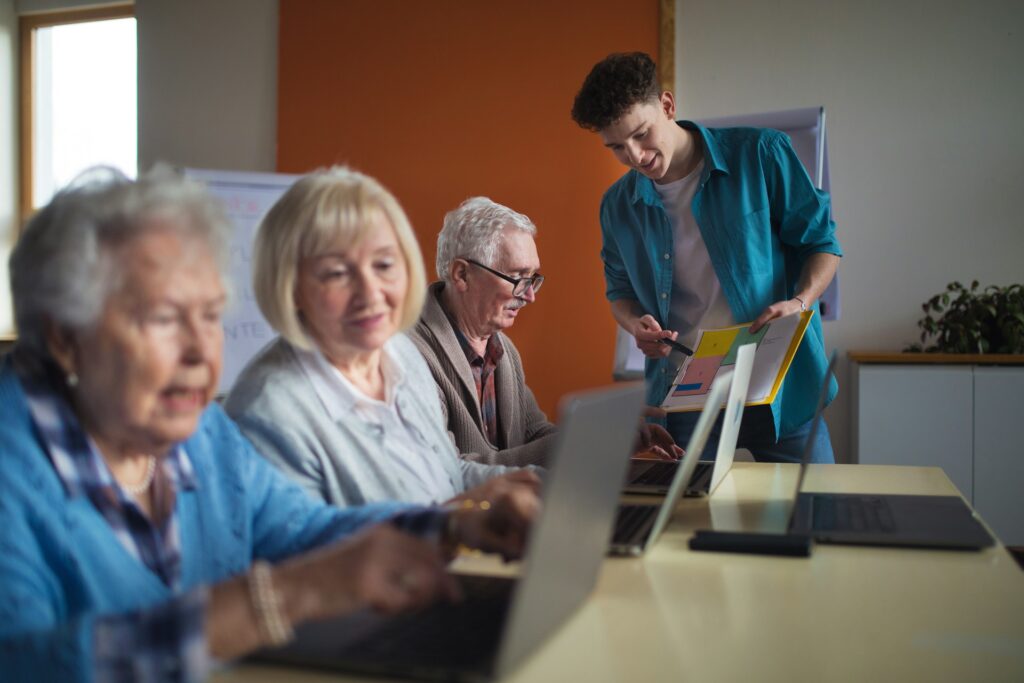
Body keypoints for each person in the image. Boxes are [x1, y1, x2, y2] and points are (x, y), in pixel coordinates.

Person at [0, 167, 535, 681]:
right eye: (163, 319)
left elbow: (301, 529)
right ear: (65, 338)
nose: (200, 353)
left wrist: (457, 525)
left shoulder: (201, 436)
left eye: (209, 316)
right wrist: (273, 601)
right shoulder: (14, 473)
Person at [571, 52, 842, 463]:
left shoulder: (762, 153)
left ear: (667, 105)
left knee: (811, 512)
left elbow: (821, 243)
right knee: (691, 519)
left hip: (779, 382)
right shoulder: (617, 205)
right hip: (689, 389)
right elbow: (620, 292)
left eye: (642, 134)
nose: (635, 157)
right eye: (616, 148)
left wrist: (800, 302)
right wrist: (634, 325)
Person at [224, 168, 541, 507]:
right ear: (289, 287)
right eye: (337, 273)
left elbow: (446, 475)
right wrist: (451, 524)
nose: (370, 293)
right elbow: (313, 551)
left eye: (384, 265)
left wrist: (540, 485)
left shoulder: (398, 355)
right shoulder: (269, 411)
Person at [410, 197, 682, 467]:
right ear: (461, 275)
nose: (529, 296)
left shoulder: (502, 349)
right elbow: (445, 473)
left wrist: (609, 438)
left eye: (533, 279)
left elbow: (536, 434)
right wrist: (585, 440)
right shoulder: (407, 358)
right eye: (517, 278)